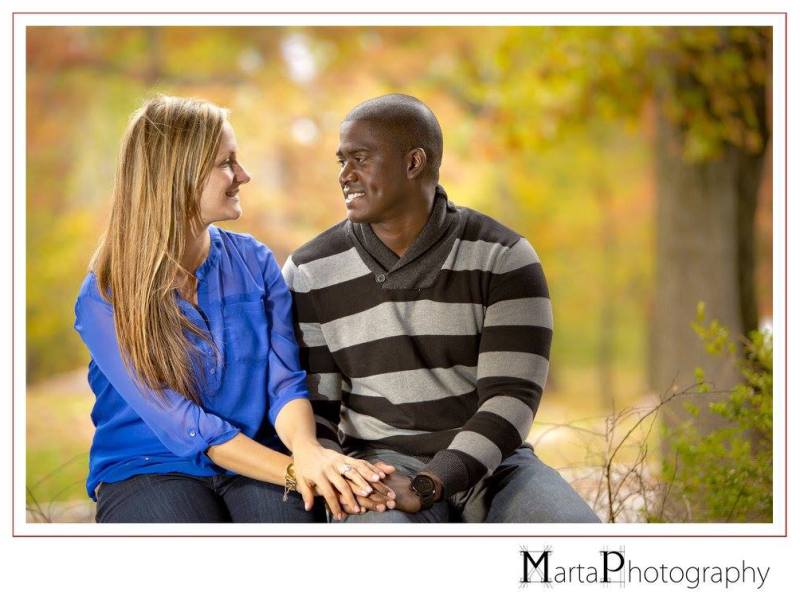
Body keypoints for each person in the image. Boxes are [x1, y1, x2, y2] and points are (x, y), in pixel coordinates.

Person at [74, 96, 395, 523]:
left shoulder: (256, 263)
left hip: (260, 454)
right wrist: (303, 474)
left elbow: (284, 386)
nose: (243, 175)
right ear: (178, 176)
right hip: (149, 468)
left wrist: (309, 452)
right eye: (227, 162)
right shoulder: (105, 294)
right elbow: (184, 426)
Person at [282, 94, 600, 523]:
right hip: (379, 468)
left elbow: (512, 399)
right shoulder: (310, 270)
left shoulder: (503, 257)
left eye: (360, 158)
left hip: (494, 466)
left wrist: (429, 483)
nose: (344, 175)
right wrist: (350, 478)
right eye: (341, 160)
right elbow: (316, 408)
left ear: (413, 163)